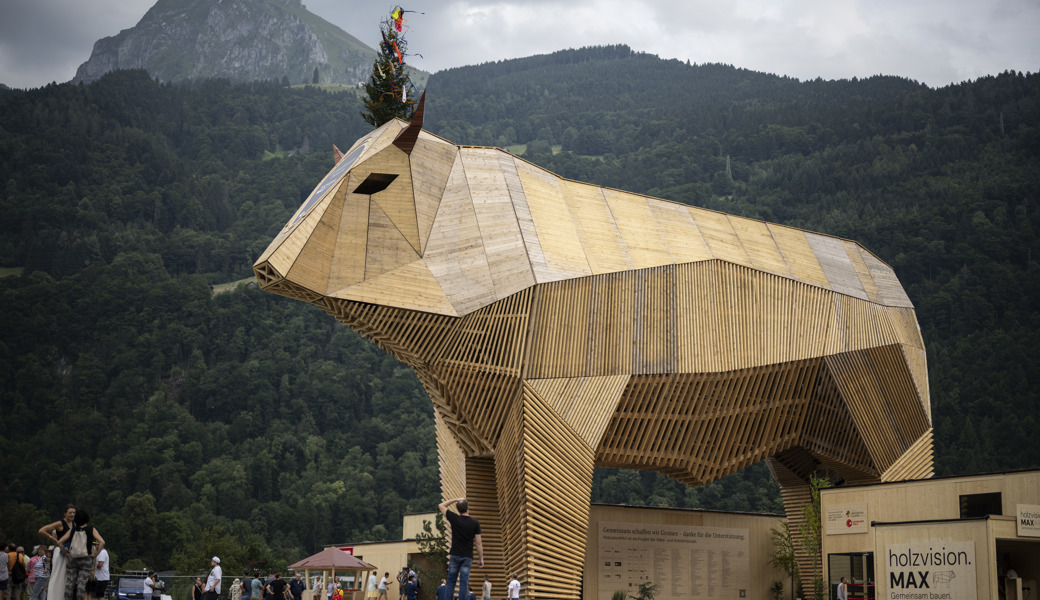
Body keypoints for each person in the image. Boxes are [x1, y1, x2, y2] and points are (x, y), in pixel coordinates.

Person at [438, 498, 484, 600]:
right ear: (468, 508)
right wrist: (481, 559)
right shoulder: (475, 523)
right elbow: (478, 543)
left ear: (458, 509)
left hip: (455, 554)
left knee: (451, 582)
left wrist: (455, 500)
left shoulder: (454, 518)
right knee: (464, 583)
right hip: (467, 557)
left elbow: (441, 505)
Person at [56, 510, 105, 600]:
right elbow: (102, 542)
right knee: (81, 585)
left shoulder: (73, 530)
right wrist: (95, 554)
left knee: (69, 584)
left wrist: (66, 553)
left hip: (73, 558)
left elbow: (59, 542)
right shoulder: (91, 529)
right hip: (86, 559)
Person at [39, 505, 75, 600]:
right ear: (65, 513)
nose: (72, 514)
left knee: (66, 577)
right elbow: (42, 530)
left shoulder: (74, 524)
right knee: (57, 575)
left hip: (70, 553)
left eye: (73, 513)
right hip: (60, 551)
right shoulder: (60, 523)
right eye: (70, 512)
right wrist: (54, 539)